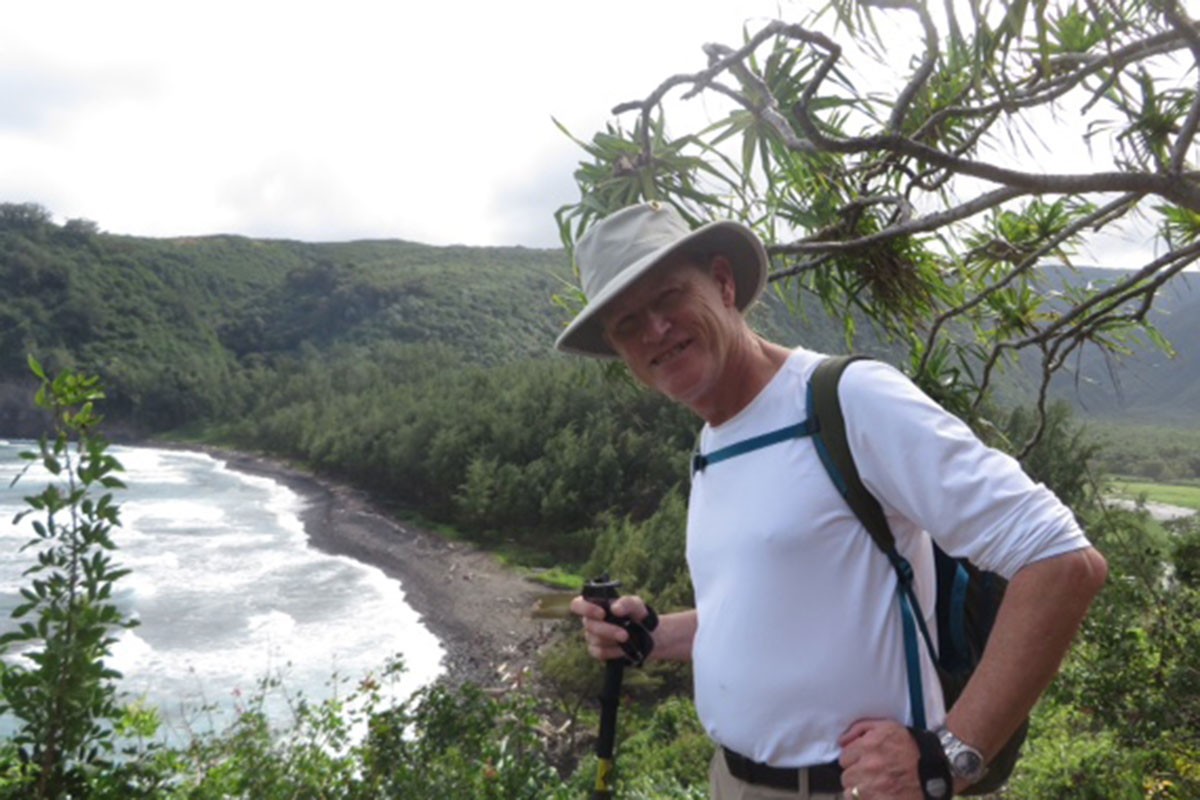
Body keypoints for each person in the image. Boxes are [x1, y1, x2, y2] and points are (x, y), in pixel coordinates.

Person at [559, 201, 1108, 800]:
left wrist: (948, 757)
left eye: (667, 297)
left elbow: (1061, 559)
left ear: (722, 282)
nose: (655, 332)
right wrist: (654, 636)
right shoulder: (712, 442)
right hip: (731, 781)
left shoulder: (846, 401)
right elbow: (768, 612)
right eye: (627, 324)